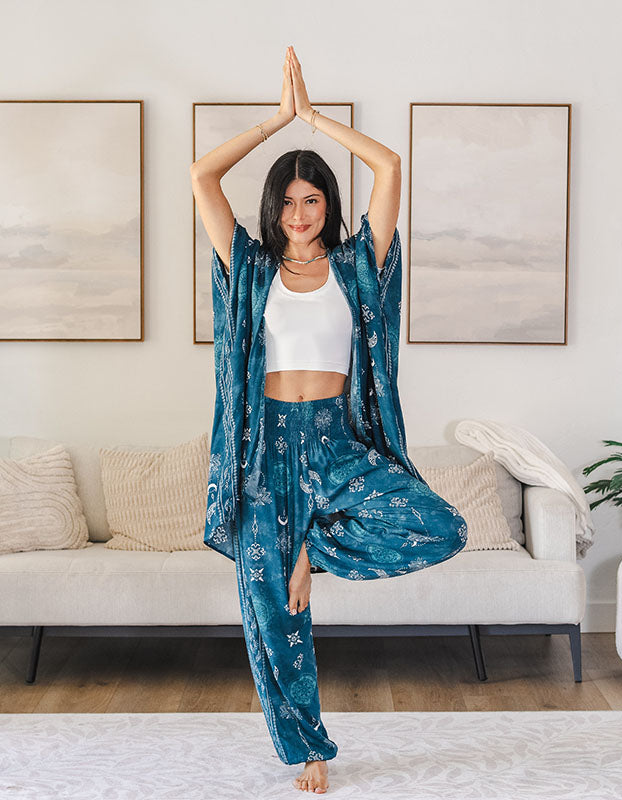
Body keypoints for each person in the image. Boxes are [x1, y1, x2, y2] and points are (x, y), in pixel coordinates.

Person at [190, 45, 468, 795]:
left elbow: (390, 166)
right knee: (270, 614)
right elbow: (202, 176)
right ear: (272, 208)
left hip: (335, 442)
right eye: (287, 201)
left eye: (311, 199)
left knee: (441, 525)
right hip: (265, 450)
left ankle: (313, 546)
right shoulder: (250, 268)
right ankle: (309, 749)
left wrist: (313, 119)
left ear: (328, 205)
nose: (299, 214)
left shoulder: (356, 265)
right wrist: (274, 122)